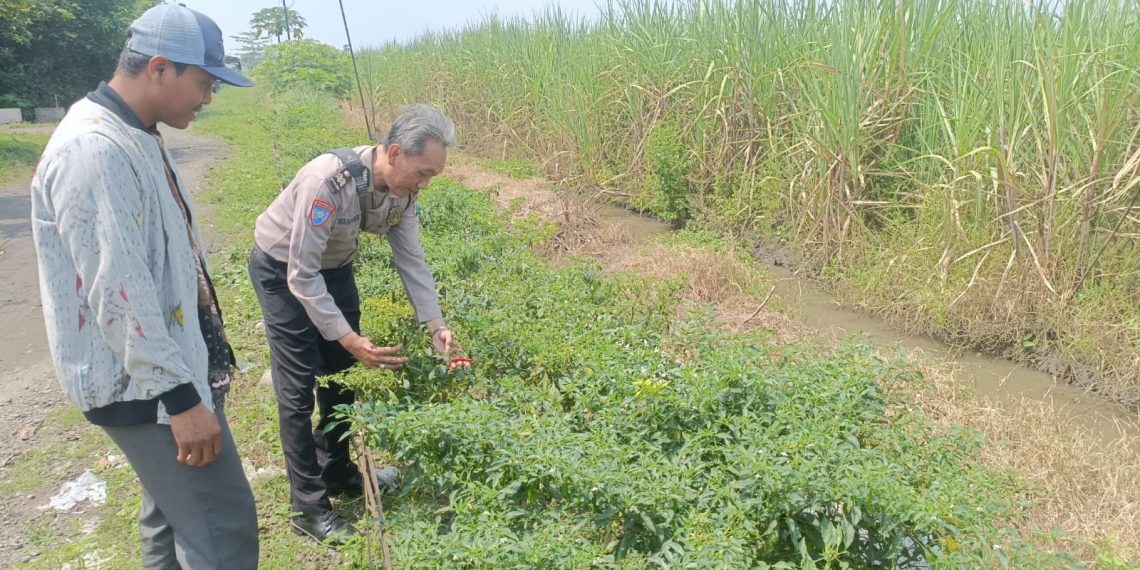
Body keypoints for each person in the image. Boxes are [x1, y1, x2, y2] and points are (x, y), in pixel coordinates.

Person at [30, 5, 258, 568]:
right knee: (223, 529)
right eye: (204, 83)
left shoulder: (135, 132)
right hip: (146, 388)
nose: (208, 98)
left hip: (161, 374)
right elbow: (117, 292)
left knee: (171, 516)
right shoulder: (95, 148)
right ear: (160, 67)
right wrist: (181, 400)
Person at [248, 105, 465, 544]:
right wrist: (347, 337)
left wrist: (435, 324)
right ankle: (307, 508)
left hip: (334, 268)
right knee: (297, 385)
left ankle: (337, 468)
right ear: (396, 152)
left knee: (342, 376)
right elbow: (301, 275)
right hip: (282, 268)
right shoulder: (327, 182)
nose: (423, 184)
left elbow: (411, 259)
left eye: (431, 178)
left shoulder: (403, 193)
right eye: (422, 173)